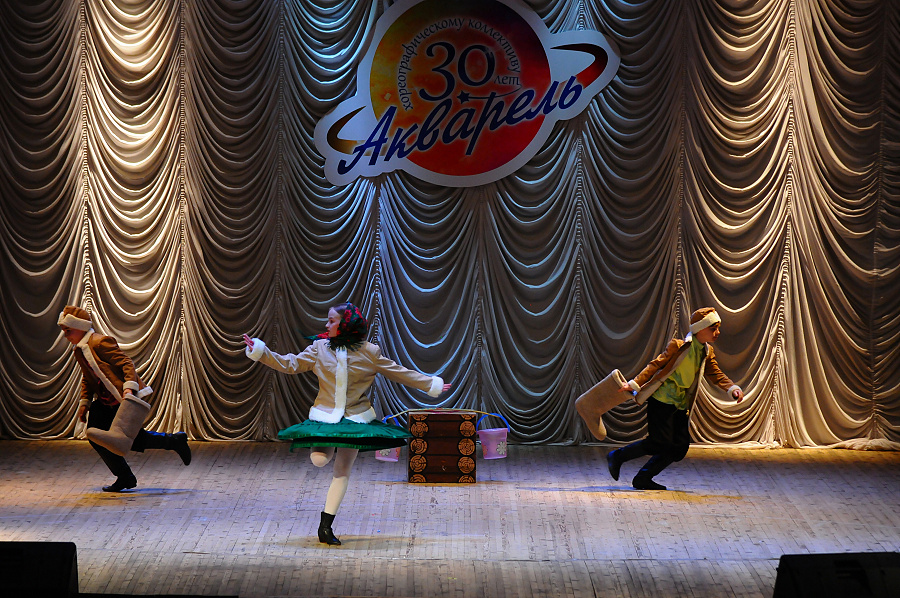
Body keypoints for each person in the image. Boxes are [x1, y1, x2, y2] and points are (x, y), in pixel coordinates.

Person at [243, 302, 451, 546]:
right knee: (319, 460)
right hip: (325, 417)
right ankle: (325, 452)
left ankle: (325, 526)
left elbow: (398, 372)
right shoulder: (320, 348)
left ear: (345, 324)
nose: (326, 325)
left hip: (355, 420)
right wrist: (261, 352)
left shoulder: (369, 352)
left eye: (332, 321)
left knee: (342, 472)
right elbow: (291, 364)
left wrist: (430, 384)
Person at [606, 307, 743, 490]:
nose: (717, 332)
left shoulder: (706, 351)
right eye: (713, 328)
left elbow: (716, 374)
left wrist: (732, 388)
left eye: (717, 328)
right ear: (700, 328)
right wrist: (634, 384)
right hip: (662, 400)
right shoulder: (679, 346)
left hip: (680, 403)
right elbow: (655, 365)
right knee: (658, 442)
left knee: (679, 447)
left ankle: (643, 478)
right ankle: (618, 456)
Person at [58, 305, 191, 492]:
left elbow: (126, 363)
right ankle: (127, 475)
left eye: (68, 330)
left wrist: (129, 387)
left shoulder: (100, 342)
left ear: (80, 327)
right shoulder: (79, 350)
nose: (65, 335)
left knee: (130, 439)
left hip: (118, 400)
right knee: (99, 438)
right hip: (103, 402)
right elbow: (88, 378)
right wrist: (84, 403)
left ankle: (173, 442)